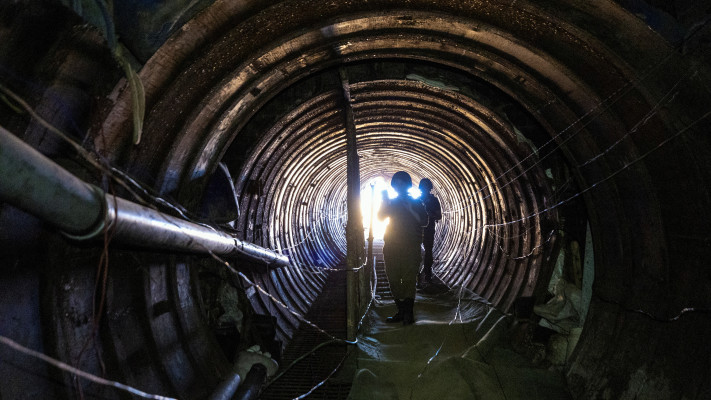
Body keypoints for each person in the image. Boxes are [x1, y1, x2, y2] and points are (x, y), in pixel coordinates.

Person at [378, 171, 428, 325]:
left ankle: (409, 313)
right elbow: (380, 217)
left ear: (406, 185)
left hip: (411, 246)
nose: (398, 186)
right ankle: (401, 311)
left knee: (408, 279)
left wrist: (410, 209)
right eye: (396, 183)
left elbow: (424, 221)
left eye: (401, 183)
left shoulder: (416, 202)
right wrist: (384, 200)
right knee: (393, 279)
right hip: (392, 246)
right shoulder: (391, 202)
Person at [418, 178, 442, 285]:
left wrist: (429, 214)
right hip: (419, 230)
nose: (424, 189)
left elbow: (439, 216)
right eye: (423, 187)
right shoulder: (417, 200)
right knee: (421, 252)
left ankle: (426, 275)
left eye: (425, 187)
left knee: (427, 252)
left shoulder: (433, 201)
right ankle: (421, 276)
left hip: (426, 229)